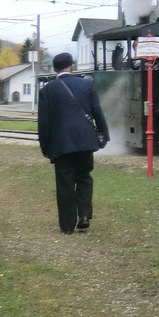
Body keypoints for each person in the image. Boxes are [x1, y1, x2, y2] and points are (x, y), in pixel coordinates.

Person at [37, 52, 110, 235]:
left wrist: (45, 147)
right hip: (85, 141)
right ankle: (84, 216)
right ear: (72, 66)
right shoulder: (87, 85)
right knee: (84, 177)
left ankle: (67, 225)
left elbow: (44, 123)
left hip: (61, 145)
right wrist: (104, 135)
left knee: (65, 183)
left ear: (55, 70)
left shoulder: (47, 90)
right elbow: (97, 112)